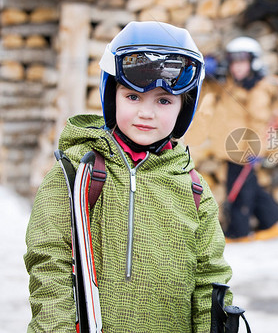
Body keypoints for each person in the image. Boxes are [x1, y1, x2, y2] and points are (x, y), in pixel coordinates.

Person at [24, 21, 232, 332]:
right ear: (111, 96)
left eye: (163, 101)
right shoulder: (74, 174)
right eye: (132, 97)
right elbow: (48, 263)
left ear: (183, 109)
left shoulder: (194, 190)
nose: (146, 113)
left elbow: (210, 282)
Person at [191, 36, 278, 243]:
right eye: (233, 62)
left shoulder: (258, 88)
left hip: (244, 149)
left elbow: (259, 122)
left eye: (242, 62)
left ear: (253, 62)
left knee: (238, 192)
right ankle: (274, 222)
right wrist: (206, 71)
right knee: (251, 187)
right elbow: (211, 88)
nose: (237, 68)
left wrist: (256, 150)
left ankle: (239, 231)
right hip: (231, 148)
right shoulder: (230, 84)